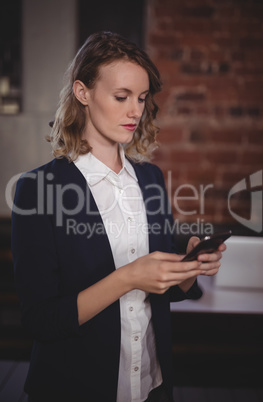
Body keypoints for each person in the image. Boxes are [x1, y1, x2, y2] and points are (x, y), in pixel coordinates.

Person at [11, 31, 226, 402]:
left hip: (153, 387)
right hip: (74, 390)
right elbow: (40, 320)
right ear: (83, 93)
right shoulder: (37, 189)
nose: (135, 111)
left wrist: (188, 268)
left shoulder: (151, 178)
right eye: (121, 97)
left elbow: (163, 292)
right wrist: (128, 277)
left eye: (142, 98)